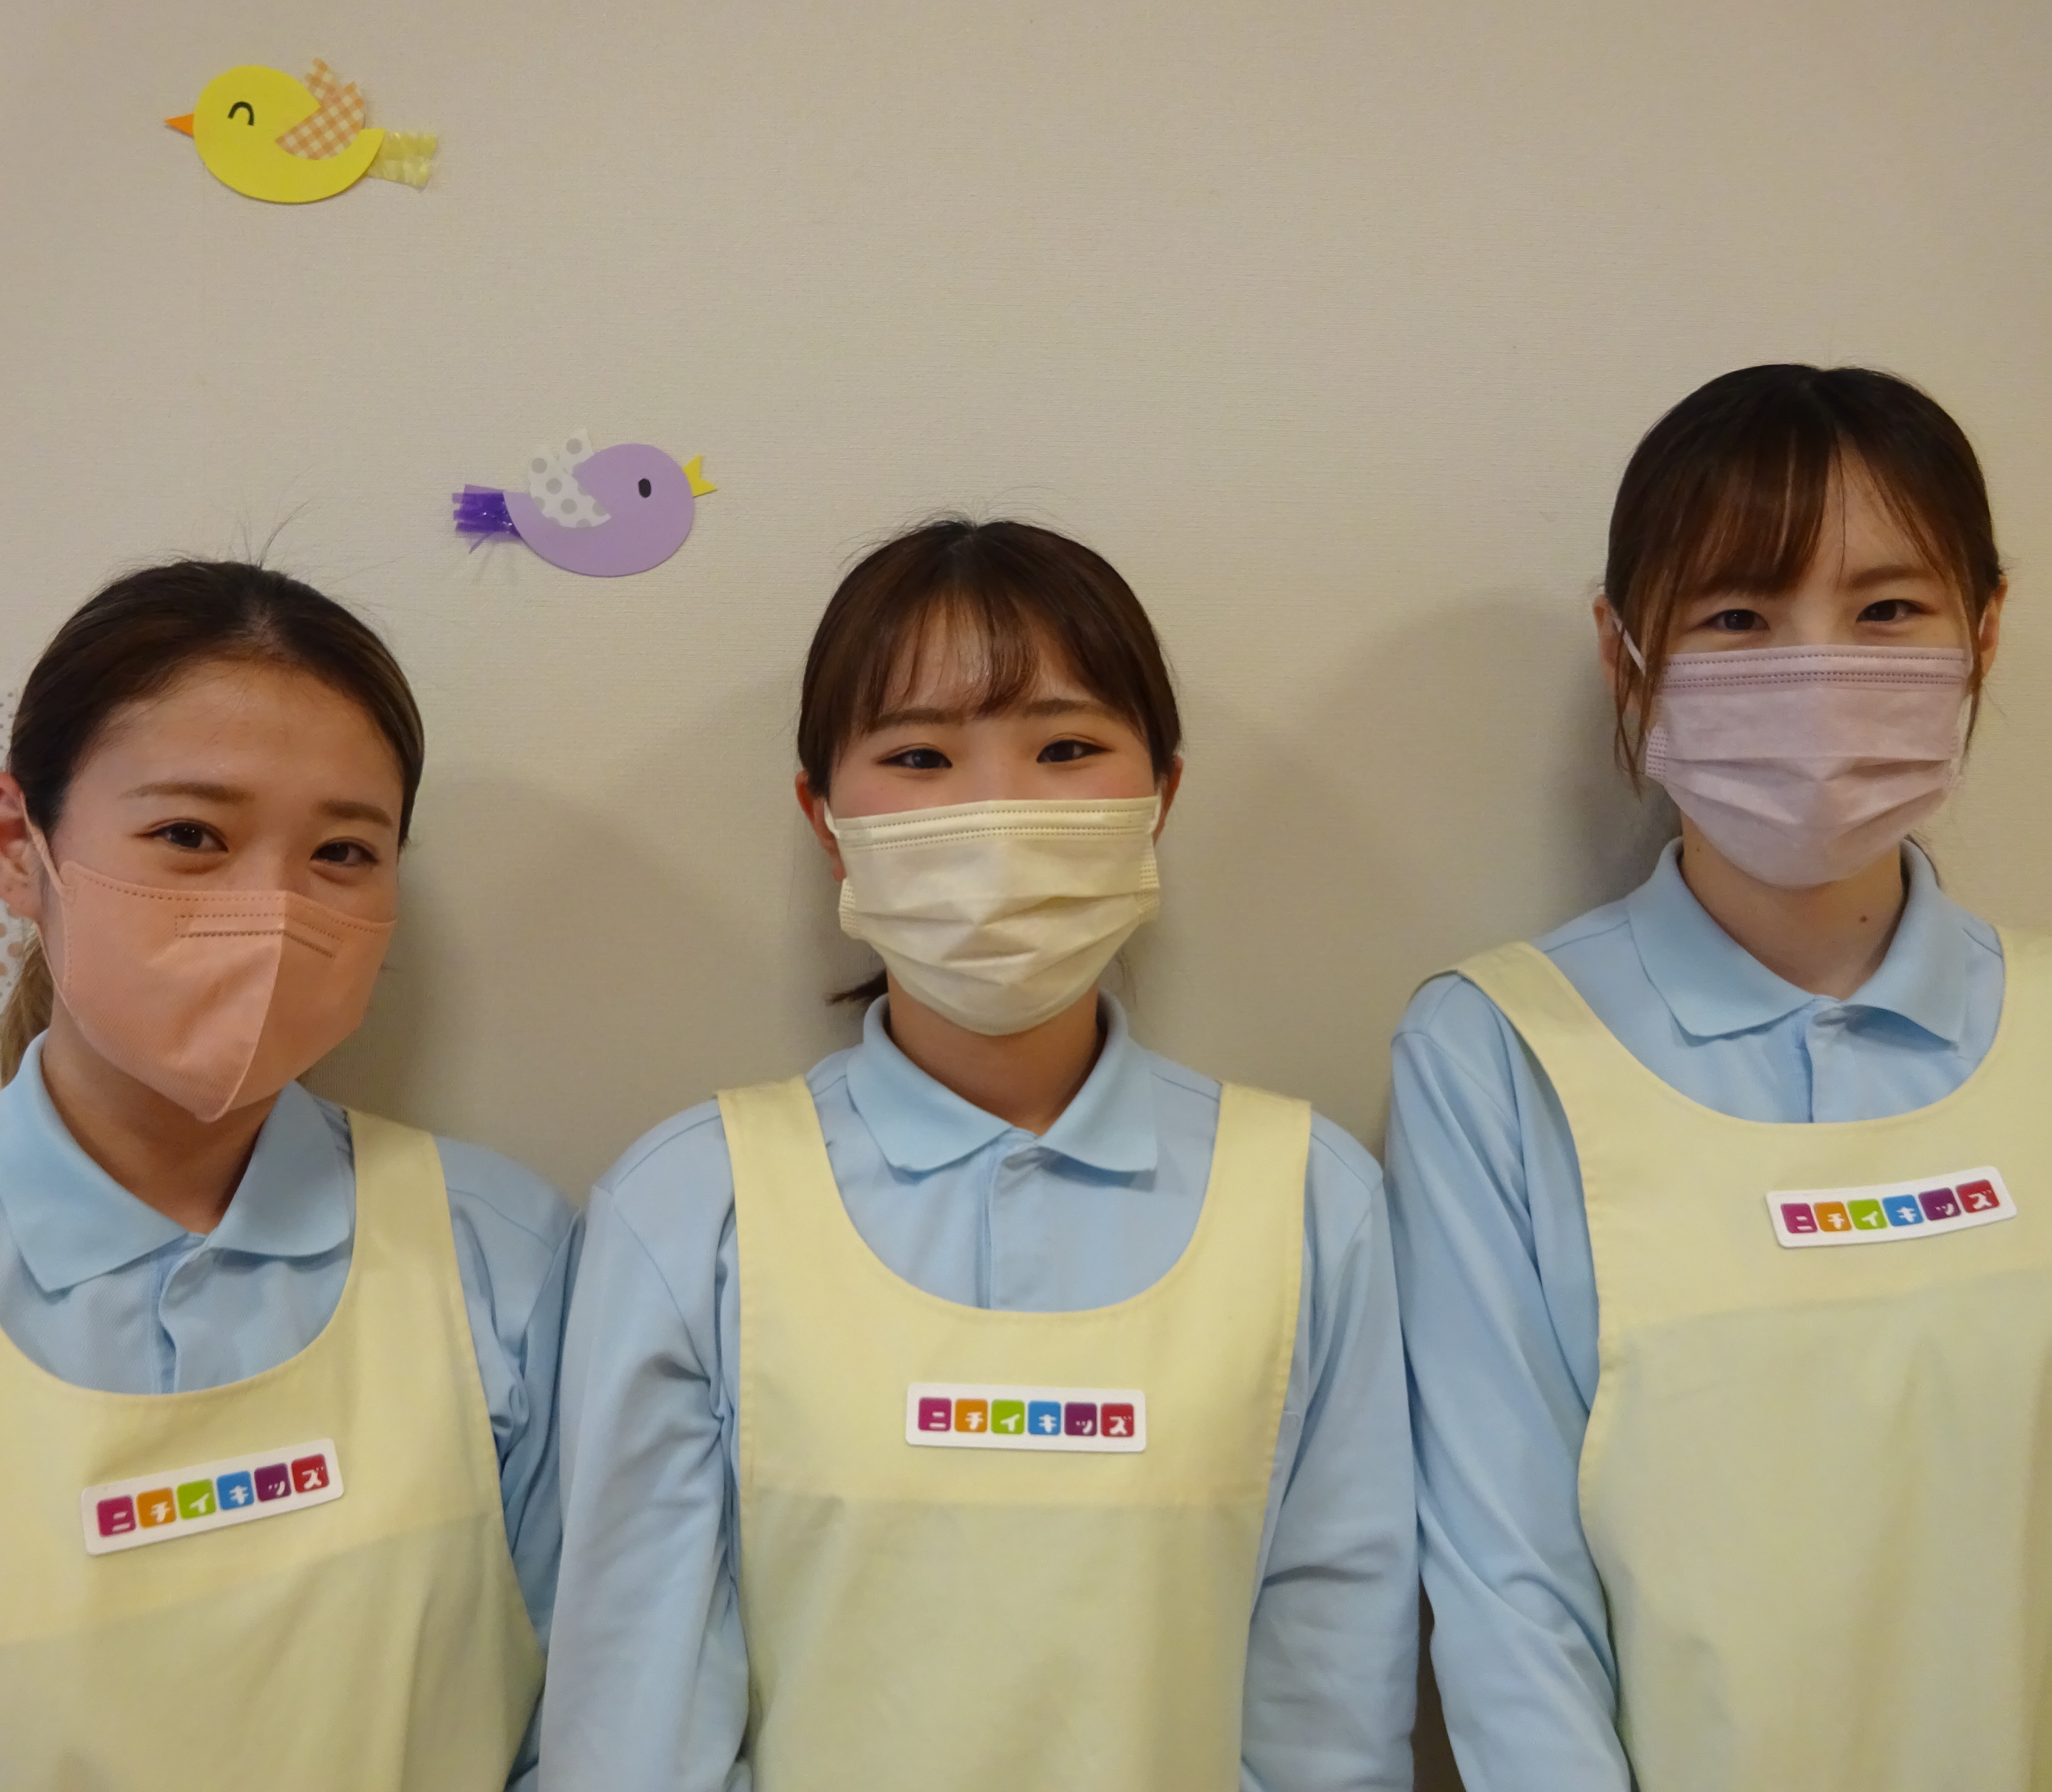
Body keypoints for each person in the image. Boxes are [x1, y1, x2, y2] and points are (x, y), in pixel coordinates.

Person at [540, 519, 1416, 1792]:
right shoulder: (692, 1206)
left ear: (1161, 798)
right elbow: (637, 1725)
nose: (998, 815)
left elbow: (1329, 1710)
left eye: (1066, 750)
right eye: (920, 758)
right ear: (825, 817)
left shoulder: (1310, 1200)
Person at [1390, 365, 2052, 1792]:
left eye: (1888, 610)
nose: (1818, 670)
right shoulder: (1499, 1055)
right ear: (1626, 653)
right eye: (1739, 617)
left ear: (1986, 630)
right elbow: (1512, 1606)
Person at [0, 561, 578, 1790]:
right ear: (17, 847)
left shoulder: (507, 1258)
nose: (270, 911)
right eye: (191, 835)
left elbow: (587, 1730)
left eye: (343, 851)